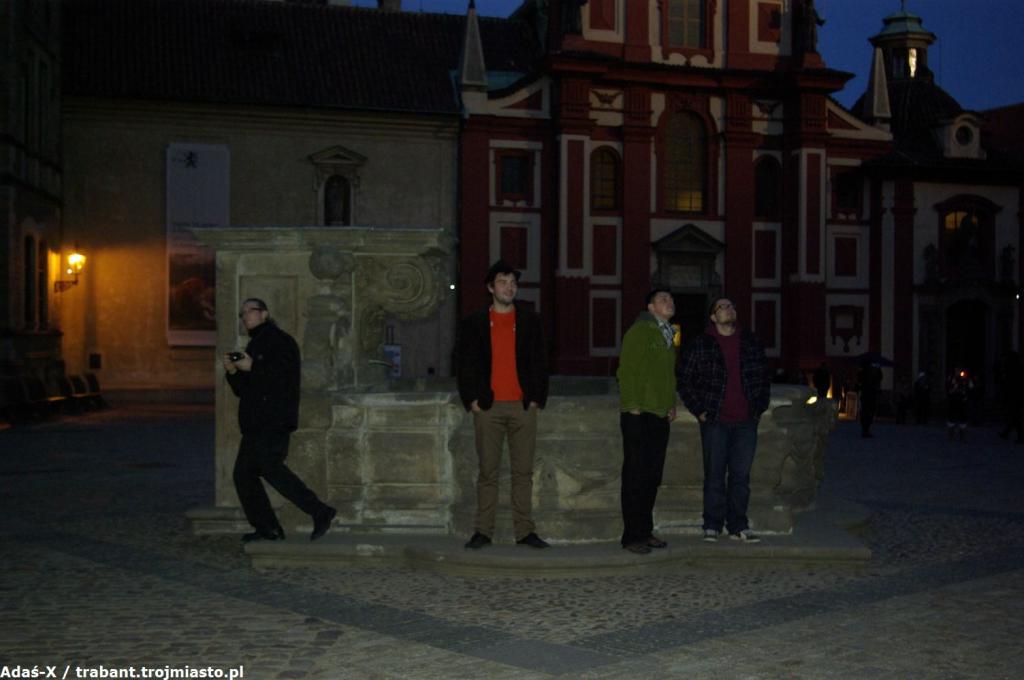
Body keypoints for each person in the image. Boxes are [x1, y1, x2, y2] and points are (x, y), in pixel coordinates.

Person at [223, 298, 336, 543]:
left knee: (269, 468)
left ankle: (318, 511)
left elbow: (282, 379)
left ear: (265, 314)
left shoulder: (280, 341)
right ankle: (269, 528)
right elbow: (245, 389)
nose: (245, 316)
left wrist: (252, 366)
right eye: (242, 313)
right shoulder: (255, 344)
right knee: (244, 474)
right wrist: (232, 372)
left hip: (273, 420)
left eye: (250, 311)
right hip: (255, 423)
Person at [457, 260, 550, 550]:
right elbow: (464, 363)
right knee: (488, 472)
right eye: (502, 282)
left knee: (523, 473)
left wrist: (536, 398)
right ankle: (483, 531)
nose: (509, 287)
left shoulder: (530, 320)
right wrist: (472, 400)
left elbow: (540, 360)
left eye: (513, 283)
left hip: (522, 407)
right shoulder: (474, 322)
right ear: (490, 287)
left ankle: (525, 531)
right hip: (488, 407)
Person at [678, 298, 770, 543]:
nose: (729, 309)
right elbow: (684, 379)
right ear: (713, 317)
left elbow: (763, 376)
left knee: (741, 477)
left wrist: (759, 406)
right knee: (714, 476)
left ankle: (738, 525)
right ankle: (712, 524)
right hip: (715, 420)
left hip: (746, 421)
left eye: (731, 306)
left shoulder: (750, 342)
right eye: (722, 307)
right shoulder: (701, 344)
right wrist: (699, 410)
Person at [616, 289, 678, 555]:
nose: (669, 302)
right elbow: (626, 369)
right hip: (639, 413)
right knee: (635, 475)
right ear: (650, 307)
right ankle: (631, 536)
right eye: (663, 299)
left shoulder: (667, 334)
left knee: (652, 475)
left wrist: (670, 404)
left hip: (659, 413)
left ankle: (644, 530)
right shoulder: (640, 331)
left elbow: (667, 375)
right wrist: (632, 405)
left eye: (671, 299)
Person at [946, 367, 974, 441]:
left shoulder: (966, 379)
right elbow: (948, 388)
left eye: (959, 370)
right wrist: (953, 388)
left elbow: (971, 388)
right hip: (953, 401)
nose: (958, 372)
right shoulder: (951, 378)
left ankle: (962, 435)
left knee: (963, 418)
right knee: (951, 418)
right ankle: (951, 435)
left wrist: (966, 394)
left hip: (962, 401)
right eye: (956, 370)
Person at [858, 362, 883, 438]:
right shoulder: (869, 373)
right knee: (868, 412)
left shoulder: (864, 372)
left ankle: (865, 429)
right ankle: (865, 430)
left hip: (867, 395)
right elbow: (879, 379)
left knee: (867, 412)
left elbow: (860, 380)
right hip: (869, 395)